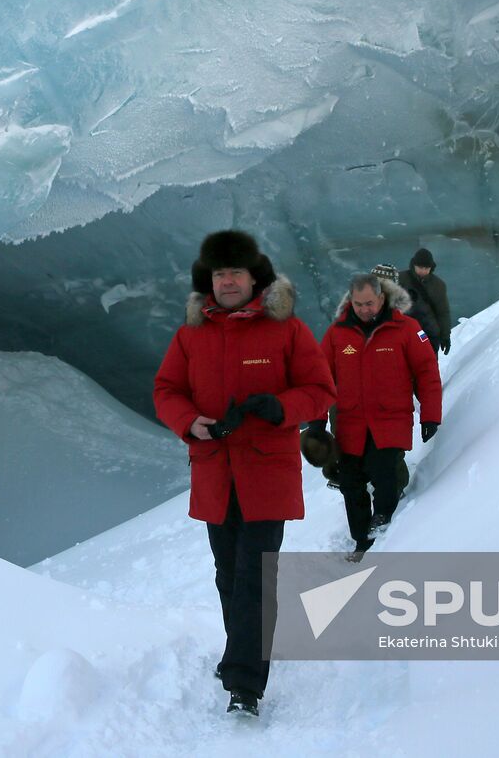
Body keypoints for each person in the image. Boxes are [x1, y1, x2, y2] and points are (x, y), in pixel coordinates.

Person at [153, 230, 335, 717]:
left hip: (265, 474)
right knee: (228, 574)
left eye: (235, 272)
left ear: (255, 278)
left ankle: (244, 684)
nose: (227, 281)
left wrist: (279, 406)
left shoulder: (287, 331)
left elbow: (321, 389)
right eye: (219, 273)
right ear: (208, 281)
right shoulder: (191, 335)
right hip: (215, 472)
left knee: (254, 575)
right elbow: (166, 389)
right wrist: (189, 422)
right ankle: (243, 651)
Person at [308, 271, 442, 560]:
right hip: (350, 424)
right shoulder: (337, 334)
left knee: (385, 476)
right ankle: (361, 541)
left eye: (369, 303)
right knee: (351, 484)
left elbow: (427, 373)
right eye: (358, 304)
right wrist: (317, 423)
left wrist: (431, 414)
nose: (364, 309)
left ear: (381, 298)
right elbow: (321, 379)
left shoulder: (406, 329)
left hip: (390, 420)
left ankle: (383, 526)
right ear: (350, 302)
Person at [398, 247, 452, 354]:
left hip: (429, 334)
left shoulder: (438, 285)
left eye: (426, 268)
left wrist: (445, 336)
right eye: (420, 267)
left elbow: (443, 312)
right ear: (414, 265)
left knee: (428, 365)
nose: (423, 271)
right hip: (405, 333)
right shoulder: (401, 279)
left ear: (431, 268)